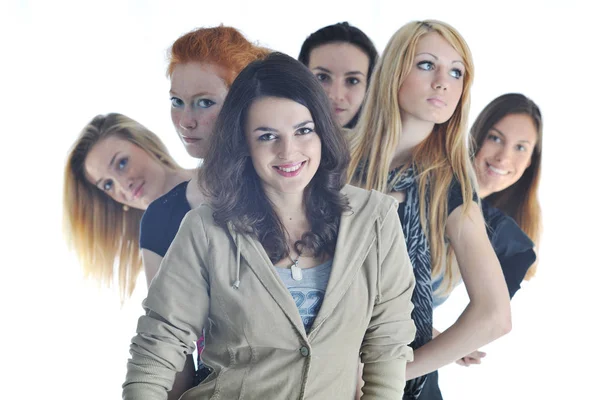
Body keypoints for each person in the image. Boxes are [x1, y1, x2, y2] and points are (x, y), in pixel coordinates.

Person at [122, 52, 416, 400]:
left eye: (303, 130)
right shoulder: (205, 228)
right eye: (266, 136)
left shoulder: (376, 219)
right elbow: (159, 343)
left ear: (322, 130)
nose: (288, 151)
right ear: (244, 143)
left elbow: (388, 346)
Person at [347, 20, 512, 399]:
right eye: (427, 64)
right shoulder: (331, 159)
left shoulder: (450, 185)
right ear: (394, 70)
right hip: (319, 372)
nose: (443, 82)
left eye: (456, 72)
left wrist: (393, 374)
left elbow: (495, 316)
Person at [138, 26, 270, 397]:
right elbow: (171, 344)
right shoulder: (162, 217)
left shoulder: (288, 191)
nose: (185, 121)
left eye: (204, 102)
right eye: (177, 101)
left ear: (244, 101)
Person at [428, 93, 543, 378]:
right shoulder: (434, 186)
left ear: (530, 161)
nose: (504, 157)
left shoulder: (499, 231)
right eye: (495, 138)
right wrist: (435, 338)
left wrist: (444, 339)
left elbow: (491, 320)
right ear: (476, 136)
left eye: (520, 147)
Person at [63, 113, 192, 300]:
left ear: (143, 142)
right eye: (108, 184)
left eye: (122, 163)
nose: (123, 185)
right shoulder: (154, 239)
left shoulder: (225, 173)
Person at [298, 21, 378, 128]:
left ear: (370, 86)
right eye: (322, 77)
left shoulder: (388, 143)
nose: (336, 96)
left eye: (352, 81)